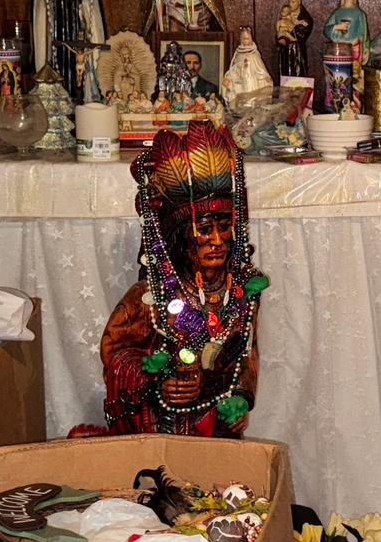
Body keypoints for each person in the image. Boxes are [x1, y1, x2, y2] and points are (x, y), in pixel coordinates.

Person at [96, 122, 265, 437]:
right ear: (180, 236)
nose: (216, 239)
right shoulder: (149, 296)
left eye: (224, 226)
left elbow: (248, 351)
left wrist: (240, 399)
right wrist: (158, 379)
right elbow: (114, 352)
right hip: (163, 430)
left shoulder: (242, 290)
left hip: (219, 429)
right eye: (203, 229)